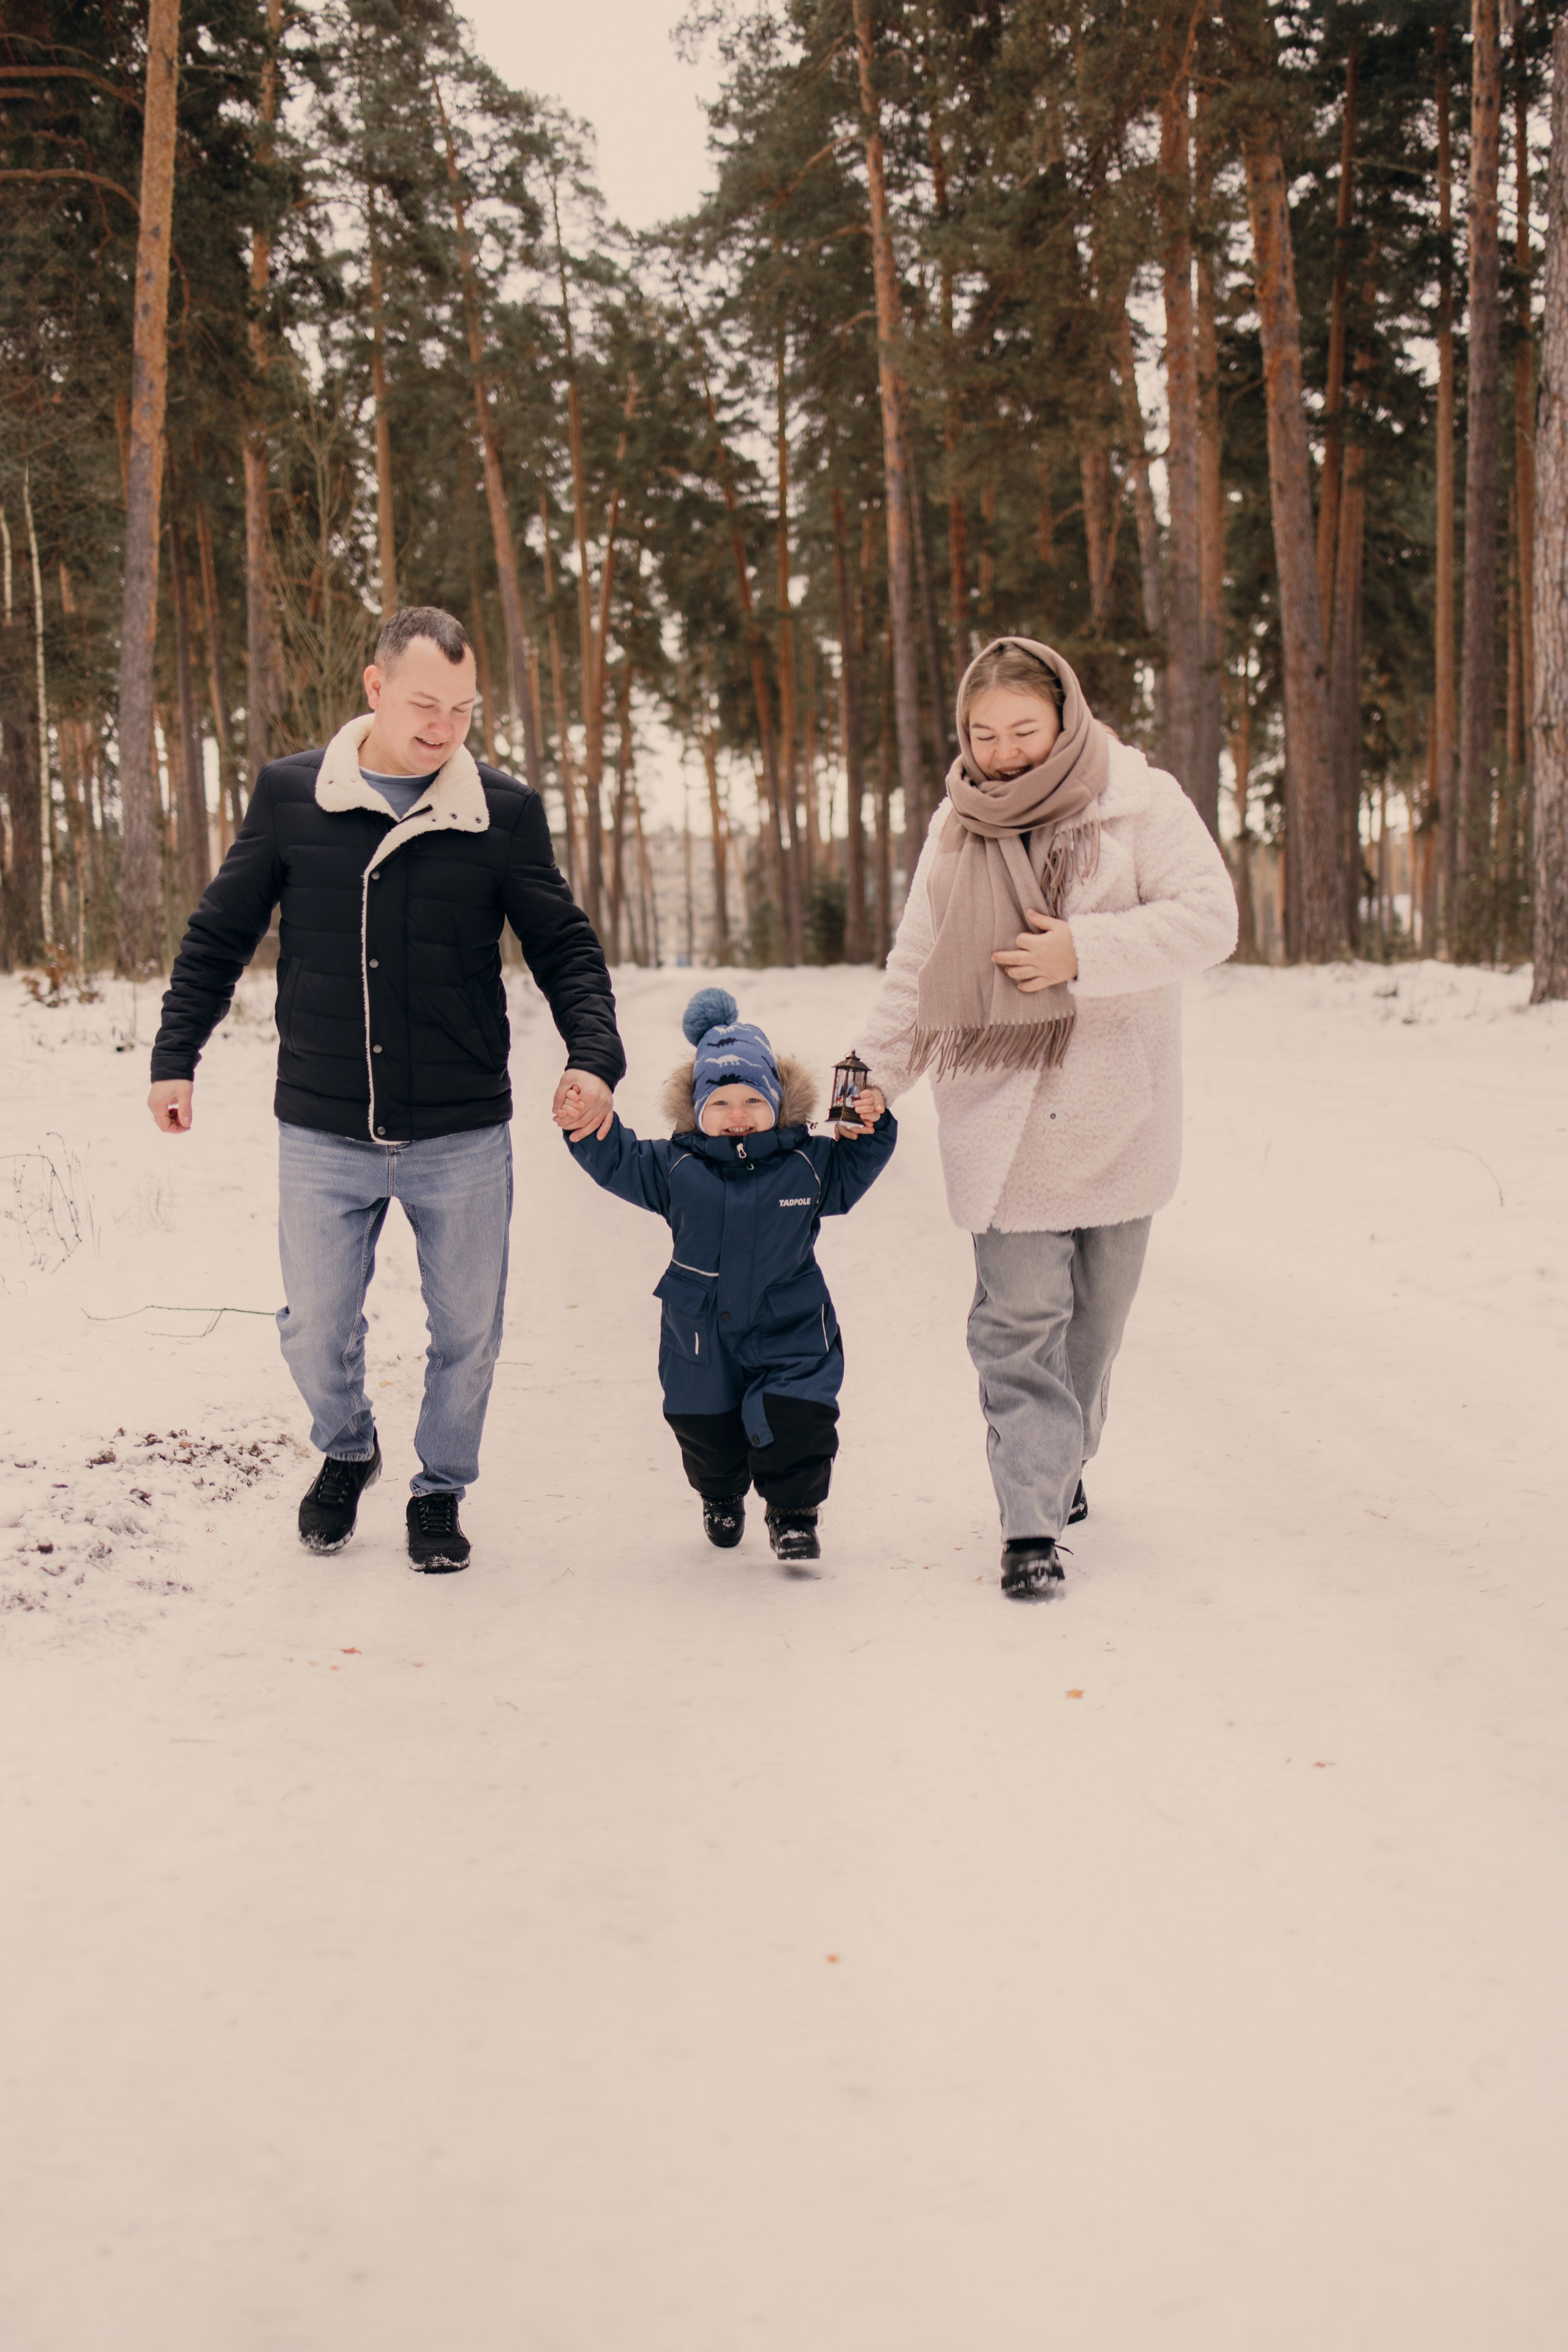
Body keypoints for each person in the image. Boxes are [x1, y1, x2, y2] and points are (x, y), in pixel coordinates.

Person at [147, 606, 623, 1574]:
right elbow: (218, 934)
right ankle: (348, 1446)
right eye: (423, 704)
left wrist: (592, 1055)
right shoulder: (291, 795)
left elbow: (564, 945)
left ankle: (440, 1489)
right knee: (316, 1324)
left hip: (460, 1130)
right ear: (374, 689)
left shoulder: (503, 809)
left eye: (463, 708)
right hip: (323, 1123)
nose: (444, 726)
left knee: (469, 1330)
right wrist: (174, 1054)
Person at [859, 636, 1236, 1600]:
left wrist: (1084, 952)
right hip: (1002, 1123)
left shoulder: (1140, 802)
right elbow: (915, 965)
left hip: (1119, 1118)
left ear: (1065, 718)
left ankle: (1062, 1459)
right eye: (985, 735)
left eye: (1023, 730)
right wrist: (868, 1074)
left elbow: (1210, 918)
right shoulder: (958, 824)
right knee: (1019, 1326)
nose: (1003, 753)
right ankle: (1029, 1522)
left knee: (1091, 1338)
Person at [557, 988, 895, 1566]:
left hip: (788, 1324)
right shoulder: (675, 1166)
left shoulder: (810, 1162)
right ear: (696, 1113)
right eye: (719, 1105)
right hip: (699, 1333)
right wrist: (586, 1127)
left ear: (778, 1104)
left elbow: (857, 1162)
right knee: (704, 1429)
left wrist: (871, 1123)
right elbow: (616, 1158)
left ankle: (793, 1515)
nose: (737, 1116)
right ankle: (720, 1493)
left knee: (798, 1418)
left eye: (751, 1101)